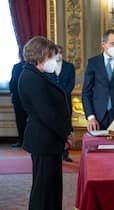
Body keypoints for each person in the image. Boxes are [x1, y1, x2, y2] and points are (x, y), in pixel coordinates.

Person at [18, 36, 72, 210]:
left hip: (49, 140)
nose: (53, 61)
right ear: (40, 55)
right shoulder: (31, 77)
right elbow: (47, 114)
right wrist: (66, 133)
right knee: (43, 188)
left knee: (51, 187)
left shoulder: (36, 74)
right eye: (50, 56)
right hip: (44, 139)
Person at [44, 45, 75, 162]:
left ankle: (65, 153)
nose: (58, 55)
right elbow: (46, 84)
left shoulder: (70, 66)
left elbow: (71, 84)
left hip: (66, 102)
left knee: (66, 126)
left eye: (60, 52)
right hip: (51, 102)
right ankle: (54, 151)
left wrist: (62, 95)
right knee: (53, 126)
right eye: (56, 53)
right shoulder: (47, 67)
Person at [9, 61, 28, 147]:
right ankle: (21, 140)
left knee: (30, 122)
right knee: (20, 121)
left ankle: (28, 142)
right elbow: (12, 81)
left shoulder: (33, 66)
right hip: (17, 99)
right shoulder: (16, 66)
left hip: (29, 99)